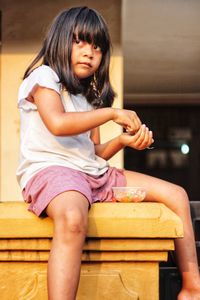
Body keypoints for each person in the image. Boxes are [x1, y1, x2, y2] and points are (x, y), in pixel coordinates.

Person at [16, 6, 200, 300]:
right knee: (74, 219)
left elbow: (95, 154)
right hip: (51, 172)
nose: (89, 52)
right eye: (80, 41)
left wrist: (123, 141)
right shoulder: (44, 77)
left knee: (176, 195)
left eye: (98, 46)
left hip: (94, 175)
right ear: (60, 41)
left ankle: (192, 289)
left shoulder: (89, 94)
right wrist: (112, 113)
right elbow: (58, 124)